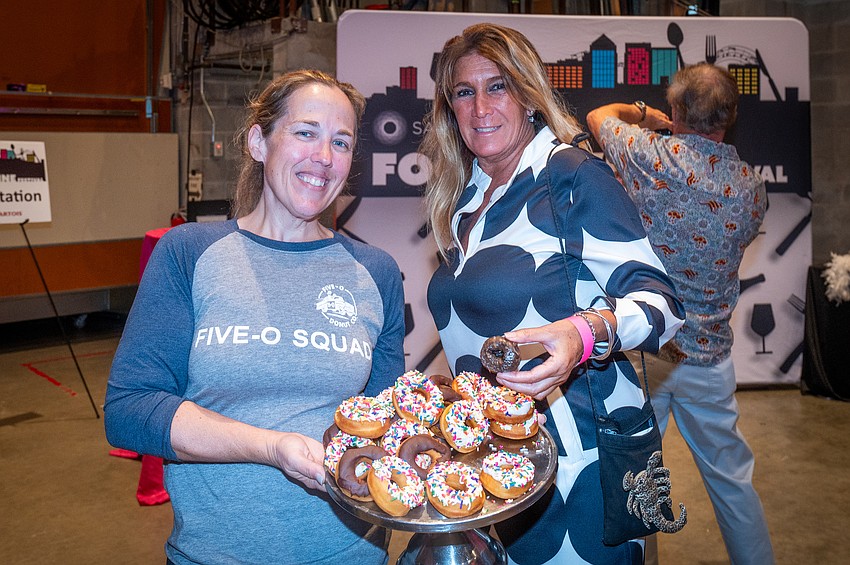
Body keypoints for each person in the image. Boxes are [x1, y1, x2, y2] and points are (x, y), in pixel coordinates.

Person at [104, 69, 406, 565]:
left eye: (342, 142)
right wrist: (271, 447)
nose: (324, 158)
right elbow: (130, 411)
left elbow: (383, 423)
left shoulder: (375, 272)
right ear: (258, 142)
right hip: (213, 554)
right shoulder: (189, 254)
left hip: (351, 553)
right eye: (305, 133)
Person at [421, 23, 685, 564]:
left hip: (581, 462)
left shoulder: (570, 176)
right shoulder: (464, 200)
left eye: (497, 86)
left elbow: (662, 303)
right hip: (498, 459)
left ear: (528, 94)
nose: (480, 108)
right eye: (463, 93)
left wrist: (580, 332)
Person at [586, 63, 775, 565]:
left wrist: (646, 115)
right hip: (710, 358)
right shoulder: (751, 189)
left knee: (638, 483)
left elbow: (599, 115)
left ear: (675, 110)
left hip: (645, 352)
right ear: (730, 117)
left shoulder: (652, 156)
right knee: (733, 483)